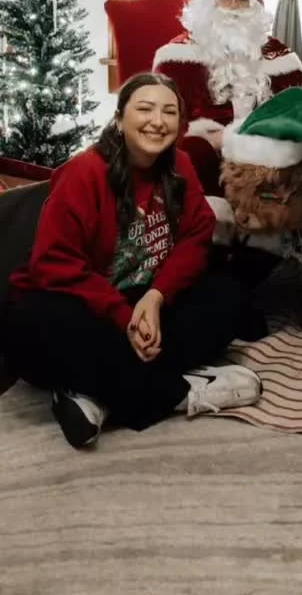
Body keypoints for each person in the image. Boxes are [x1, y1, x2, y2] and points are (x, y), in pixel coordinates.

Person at [3, 73, 265, 449]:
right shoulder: (84, 173)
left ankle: (92, 392)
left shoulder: (180, 164)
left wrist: (156, 297)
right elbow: (53, 264)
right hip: (82, 305)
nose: (157, 121)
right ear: (119, 118)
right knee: (29, 326)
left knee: (228, 297)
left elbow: (196, 236)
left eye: (169, 112)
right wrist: (122, 316)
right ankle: (176, 392)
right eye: (145, 109)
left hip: (143, 299)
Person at [153, 0, 302, 195]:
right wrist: (214, 139)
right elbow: (160, 115)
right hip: (207, 150)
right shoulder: (176, 56)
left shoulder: (279, 56)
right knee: (190, 152)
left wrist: (263, 132)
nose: (233, 6)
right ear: (209, 3)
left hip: (265, 148)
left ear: (255, 8)